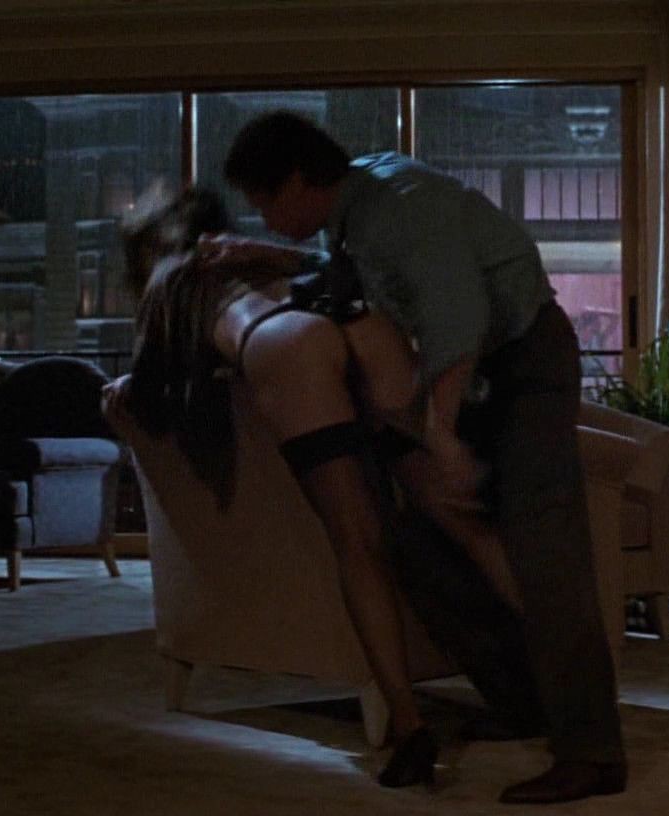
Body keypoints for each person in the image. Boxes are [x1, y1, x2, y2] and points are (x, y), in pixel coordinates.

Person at [204, 110, 626, 805]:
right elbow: (363, 277)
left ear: (300, 180)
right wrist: (265, 257)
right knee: (420, 541)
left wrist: (441, 435)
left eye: (264, 201)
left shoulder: (398, 207)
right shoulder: (355, 212)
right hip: (479, 371)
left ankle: (592, 753)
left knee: (543, 548)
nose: (263, 216)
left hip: (523, 361)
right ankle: (523, 703)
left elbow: (458, 320)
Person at [118, 187, 523, 788]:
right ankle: (560, 681)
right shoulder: (246, 253)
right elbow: (338, 273)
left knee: (358, 545)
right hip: (355, 324)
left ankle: (408, 726)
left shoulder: (170, 280)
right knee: (461, 511)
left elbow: (150, 392)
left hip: (286, 343)